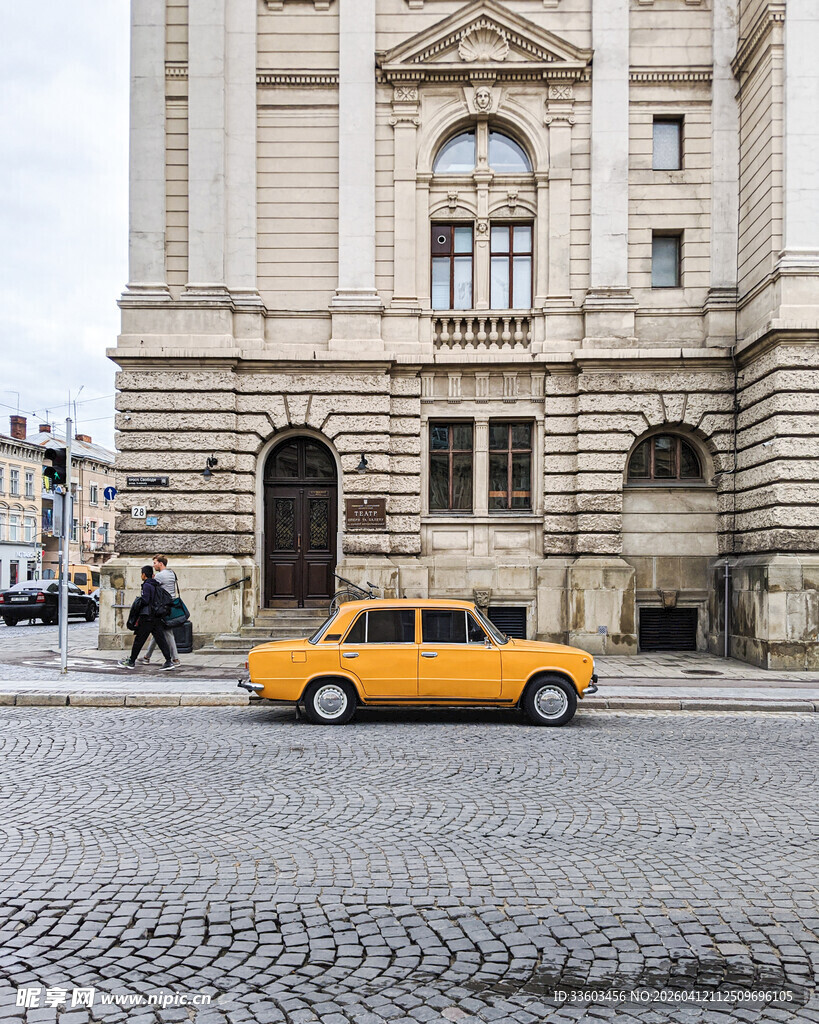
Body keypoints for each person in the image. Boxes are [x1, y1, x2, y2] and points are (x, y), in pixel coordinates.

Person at [118, 565, 175, 670]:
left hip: (147, 617)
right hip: (156, 617)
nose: (141, 575)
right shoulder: (156, 585)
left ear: (144, 575)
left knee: (139, 640)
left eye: (141, 574)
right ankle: (168, 661)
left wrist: (138, 602)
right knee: (161, 639)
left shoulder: (147, 585)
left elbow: (145, 600)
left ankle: (131, 661)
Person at [138, 554, 181, 667]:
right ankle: (147, 657)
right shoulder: (172, 573)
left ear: (161, 564)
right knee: (157, 631)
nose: (154, 565)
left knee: (168, 632)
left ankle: (175, 659)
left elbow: (150, 585)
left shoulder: (160, 576)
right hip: (170, 605)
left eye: (155, 563)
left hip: (162, 606)